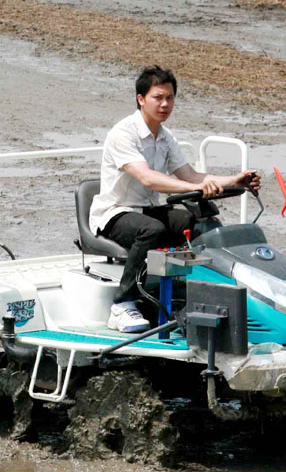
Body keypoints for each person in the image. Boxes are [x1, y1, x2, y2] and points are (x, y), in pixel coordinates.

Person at [89, 66, 260, 333]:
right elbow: (148, 178)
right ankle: (122, 305)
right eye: (158, 97)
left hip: (148, 209)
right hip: (115, 213)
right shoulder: (123, 134)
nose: (165, 104)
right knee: (153, 230)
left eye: (169, 98)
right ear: (141, 99)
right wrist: (189, 187)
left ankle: (204, 293)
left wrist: (234, 181)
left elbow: (191, 174)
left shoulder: (165, 137)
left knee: (201, 223)